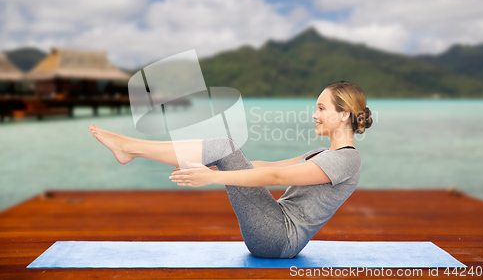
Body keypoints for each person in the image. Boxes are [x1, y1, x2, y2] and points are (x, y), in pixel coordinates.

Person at [88, 80, 373, 259]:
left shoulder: (347, 160)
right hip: (273, 229)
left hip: (279, 238)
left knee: (226, 144)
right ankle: (131, 147)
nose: (315, 114)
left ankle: (131, 148)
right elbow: (266, 166)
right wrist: (213, 162)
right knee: (225, 148)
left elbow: (276, 177)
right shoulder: (322, 154)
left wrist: (213, 176)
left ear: (344, 114)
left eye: (321, 108)